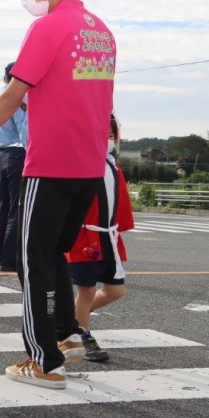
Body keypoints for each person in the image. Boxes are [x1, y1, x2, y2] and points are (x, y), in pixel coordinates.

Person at [0, 0, 116, 390]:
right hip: (90, 165)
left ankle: (43, 360)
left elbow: (13, 94)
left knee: (31, 261)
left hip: (50, 164)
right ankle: (66, 333)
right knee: (53, 254)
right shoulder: (101, 33)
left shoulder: (47, 27)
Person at [66, 113, 133, 362]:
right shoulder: (80, 164)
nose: (107, 138)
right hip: (84, 236)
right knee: (86, 290)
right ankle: (82, 335)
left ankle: (75, 316)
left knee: (116, 290)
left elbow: (121, 203)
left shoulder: (113, 167)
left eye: (111, 134)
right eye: (102, 133)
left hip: (108, 238)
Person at [0, 62, 28, 272]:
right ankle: (9, 259)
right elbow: (24, 129)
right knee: (16, 209)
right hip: (18, 154)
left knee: (2, 208)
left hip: (1, 154)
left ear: (4, 78)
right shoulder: (19, 98)